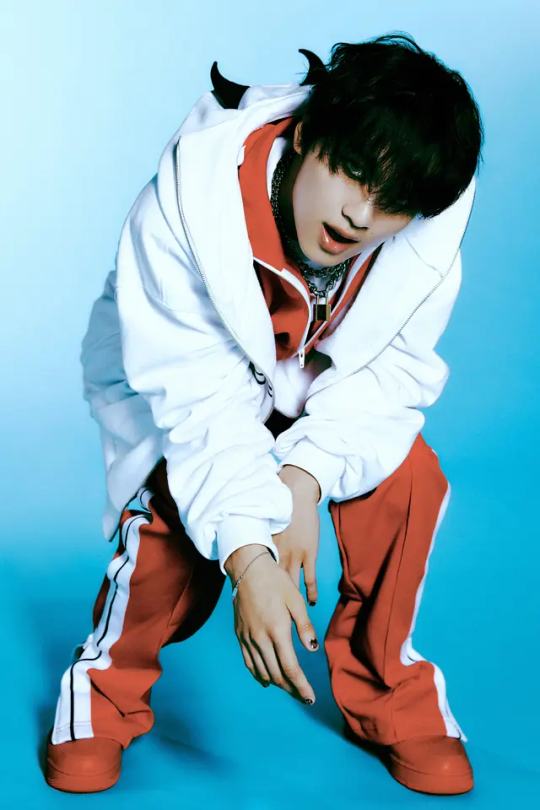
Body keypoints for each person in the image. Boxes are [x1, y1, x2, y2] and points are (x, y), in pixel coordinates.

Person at [44, 32, 484, 796]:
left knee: (410, 483)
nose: (360, 214)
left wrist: (304, 478)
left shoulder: (421, 237)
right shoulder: (188, 206)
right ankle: (103, 690)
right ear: (310, 135)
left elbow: (390, 378)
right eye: (352, 173)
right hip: (183, 396)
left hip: (309, 397)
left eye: (392, 203)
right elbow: (199, 406)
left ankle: (387, 689)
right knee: (171, 516)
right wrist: (251, 558)